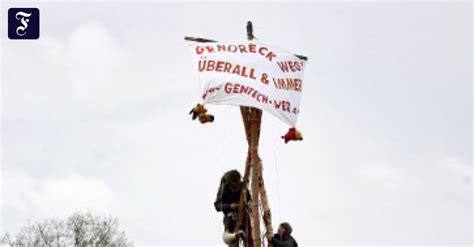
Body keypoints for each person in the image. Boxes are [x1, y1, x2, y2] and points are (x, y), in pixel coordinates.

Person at [214, 169, 251, 245]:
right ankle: (235, 235)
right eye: (235, 182)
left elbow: (248, 198)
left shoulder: (242, 186)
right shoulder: (223, 189)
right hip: (230, 218)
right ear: (231, 182)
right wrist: (230, 206)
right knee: (231, 239)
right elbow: (217, 206)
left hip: (243, 216)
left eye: (238, 181)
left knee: (249, 239)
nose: (237, 184)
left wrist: (243, 200)